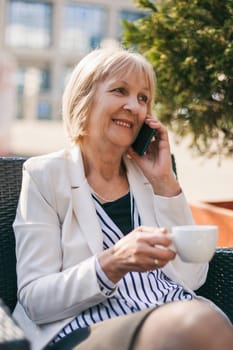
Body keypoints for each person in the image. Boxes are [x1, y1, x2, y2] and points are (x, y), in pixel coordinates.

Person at [13, 47, 233, 350]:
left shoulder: (150, 177)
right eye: (120, 91)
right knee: (196, 324)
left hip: (174, 311)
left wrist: (164, 181)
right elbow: (36, 299)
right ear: (84, 99)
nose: (134, 106)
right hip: (87, 328)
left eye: (143, 98)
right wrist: (111, 263)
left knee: (200, 322)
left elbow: (192, 278)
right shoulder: (44, 175)